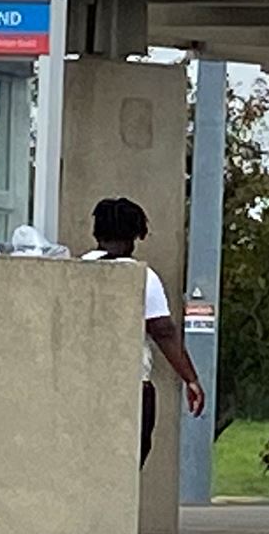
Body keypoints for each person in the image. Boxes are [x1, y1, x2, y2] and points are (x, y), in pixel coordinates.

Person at [83, 195, 205, 466]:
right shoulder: (142, 277)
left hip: (85, 382)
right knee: (130, 460)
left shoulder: (78, 269)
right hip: (131, 385)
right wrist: (190, 378)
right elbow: (163, 331)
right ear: (136, 234)